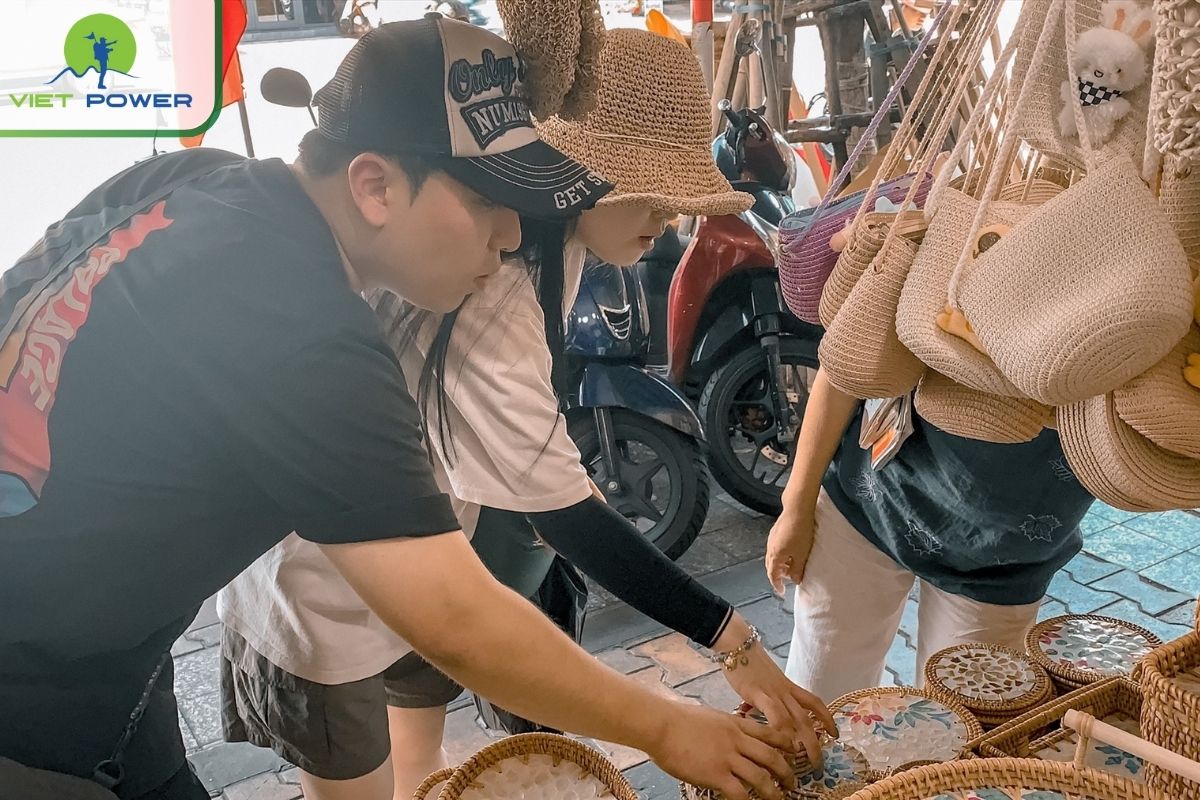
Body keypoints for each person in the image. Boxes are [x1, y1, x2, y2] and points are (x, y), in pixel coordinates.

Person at [0, 17, 802, 800]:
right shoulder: (302, 326)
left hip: (116, 665)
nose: (509, 236)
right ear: (375, 185)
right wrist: (668, 727)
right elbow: (455, 618)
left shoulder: (194, 180)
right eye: (486, 201)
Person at [219, 27, 834, 800]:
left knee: (420, 754)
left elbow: (541, 479)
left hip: (429, 536)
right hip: (326, 592)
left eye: (679, 198)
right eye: (648, 193)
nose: (669, 221)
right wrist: (712, 667)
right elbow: (548, 531)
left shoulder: (544, 247)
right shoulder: (488, 286)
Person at [765, 368, 1095, 703]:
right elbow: (847, 363)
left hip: (1005, 558)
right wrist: (796, 505)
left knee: (966, 723)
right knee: (817, 703)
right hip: (871, 499)